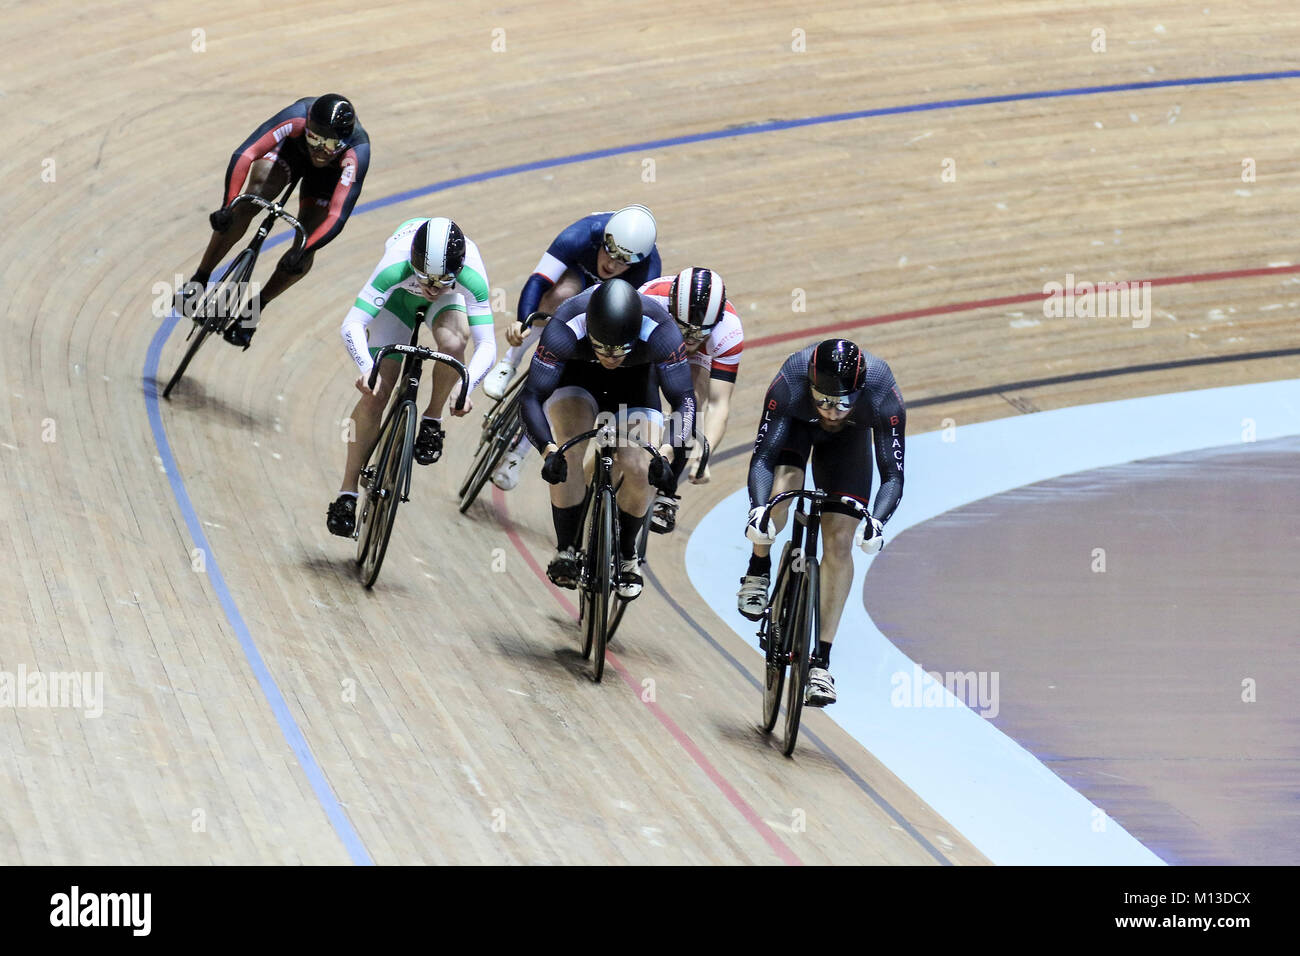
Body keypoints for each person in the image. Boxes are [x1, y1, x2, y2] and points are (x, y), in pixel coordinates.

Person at [737, 339, 906, 707]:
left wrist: (877, 521)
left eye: (843, 402)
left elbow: (892, 475)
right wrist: (758, 510)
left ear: (860, 393)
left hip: (848, 443)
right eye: (824, 400)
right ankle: (758, 567)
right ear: (809, 385)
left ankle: (821, 664)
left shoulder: (881, 391)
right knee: (782, 492)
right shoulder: (791, 379)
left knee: (840, 539)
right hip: (797, 428)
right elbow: (763, 457)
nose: (832, 411)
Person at [519, 278, 694, 599]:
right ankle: (566, 550)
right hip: (578, 378)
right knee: (569, 451)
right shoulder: (567, 324)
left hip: (635, 386)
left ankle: (627, 555)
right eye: (601, 348)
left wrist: (666, 453)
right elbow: (531, 395)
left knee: (641, 467)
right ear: (589, 331)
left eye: (620, 350)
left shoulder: (661, 330)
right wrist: (548, 450)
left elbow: (684, 400)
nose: (611, 357)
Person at [325, 217, 495, 536]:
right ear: (413, 263)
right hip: (396, 303)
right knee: (376, 393)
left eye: (441, 280)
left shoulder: (472, 275)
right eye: (425, 278)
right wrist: (367, 369)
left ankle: (432, 420)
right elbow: (351, 325)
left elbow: (487, 344)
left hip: (447, 306)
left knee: (455, 342)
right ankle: (347, 493)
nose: (431, 287)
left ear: (457, 271)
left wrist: (466, 386)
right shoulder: (396, 265)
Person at [483, 205, 662, 491]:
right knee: (560, 295)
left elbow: (627, 321)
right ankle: (509, 362)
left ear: (638, 262)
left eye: (623, 262)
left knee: (562, 374)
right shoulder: (579, 235)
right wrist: (523, 322)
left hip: (606, 301)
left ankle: (519, 454)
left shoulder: (649, 270)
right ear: (602, 240)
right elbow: (539, 280)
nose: (613, 265)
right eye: (610, 253)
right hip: (578, 275)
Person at [176, 94, 370, 348]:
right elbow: (246, 153)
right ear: (307, 127)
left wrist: (306, 248)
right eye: (314, 138)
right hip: (289, 154)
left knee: (304, 245)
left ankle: (254, 310)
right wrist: (227, 205)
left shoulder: (358, 150)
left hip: (327, 178)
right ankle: (199, 279)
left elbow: (337, 214)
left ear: (343, 144)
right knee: (248, 200)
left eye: (330, 145)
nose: (320, 149)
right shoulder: (297, 116)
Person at [637, 267, 743, 532]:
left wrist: (702, 456)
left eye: (700, 332)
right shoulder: (647, 301)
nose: (690, 338)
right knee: (640, 385)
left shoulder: (728, 331)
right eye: (684, 329)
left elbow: (719, 405)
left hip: (696, 359)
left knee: (692, 399)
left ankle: (666, 491)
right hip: (652, 339)